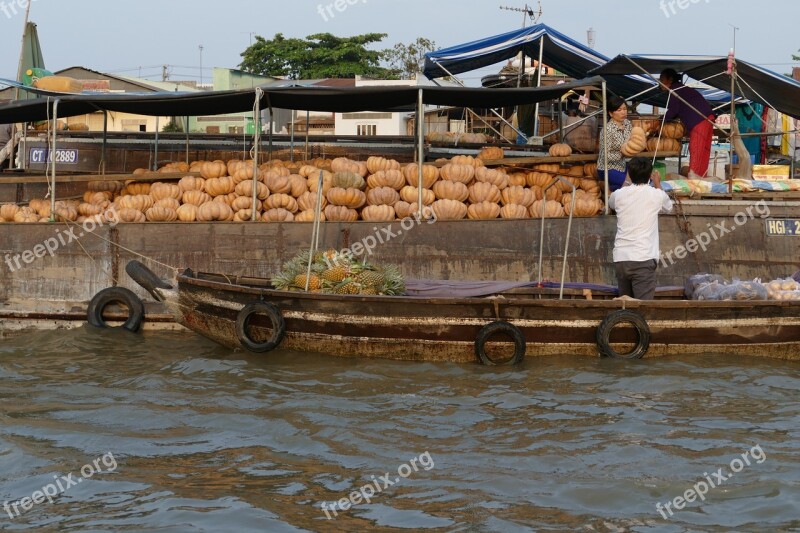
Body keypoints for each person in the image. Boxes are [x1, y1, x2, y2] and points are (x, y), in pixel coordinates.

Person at [608, 157, 673, 300]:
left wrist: (627, 181)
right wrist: (657, 183)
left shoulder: (618, 194)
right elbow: (669, 207)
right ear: (650, 175)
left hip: (621, 260)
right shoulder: (656, 194)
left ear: (630, 174)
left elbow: (611, 203)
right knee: (642, 309)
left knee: (625, 308)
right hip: (643, 260)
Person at [659, 68, 714, 179]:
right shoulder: (682, 88)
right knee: (704, 151)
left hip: (700, 120)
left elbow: (673, 110)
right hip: (707, 117)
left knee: (696, 149)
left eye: (661, 79)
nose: (659, 82)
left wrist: (660, 120)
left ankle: (693, 178)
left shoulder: (675, 89)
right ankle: (701, 178)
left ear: (669, 80)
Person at [597, 95, 632, 192]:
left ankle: (612, 189)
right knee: (630, 184)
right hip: (608, 168)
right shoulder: (607, 130)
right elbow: (605, 155)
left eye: (625, 109)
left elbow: (632, 143)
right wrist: (622, 154)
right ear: (611, 113)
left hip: (625, 164)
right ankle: (608, 187)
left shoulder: (628, 124)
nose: (623, 112)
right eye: (619, 110)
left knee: (643, 180)